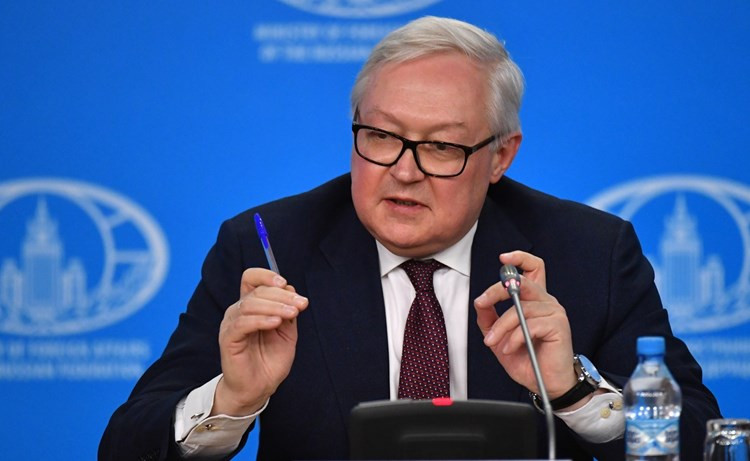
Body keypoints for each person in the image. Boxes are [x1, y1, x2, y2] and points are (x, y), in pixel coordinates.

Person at [100, 16, 720, 460]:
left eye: (442, 146)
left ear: (501, 156)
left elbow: (702, 442)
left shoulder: (589, 252)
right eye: (380, 136)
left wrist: (572, 392)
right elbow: (126, 446)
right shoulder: (269, 248)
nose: (403, 170)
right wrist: (231, 399)